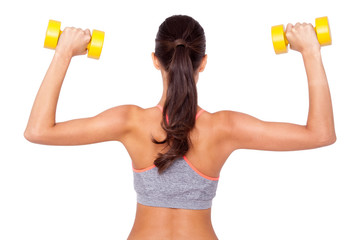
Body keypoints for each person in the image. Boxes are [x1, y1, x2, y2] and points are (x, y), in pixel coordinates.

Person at [24, 15, 336, 239]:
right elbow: (320, 134)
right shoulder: (224, 128)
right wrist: (310, 51)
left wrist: (64, 51)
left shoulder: (130, 122)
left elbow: (38, 131)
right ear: (202, 63)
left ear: (155, 60)